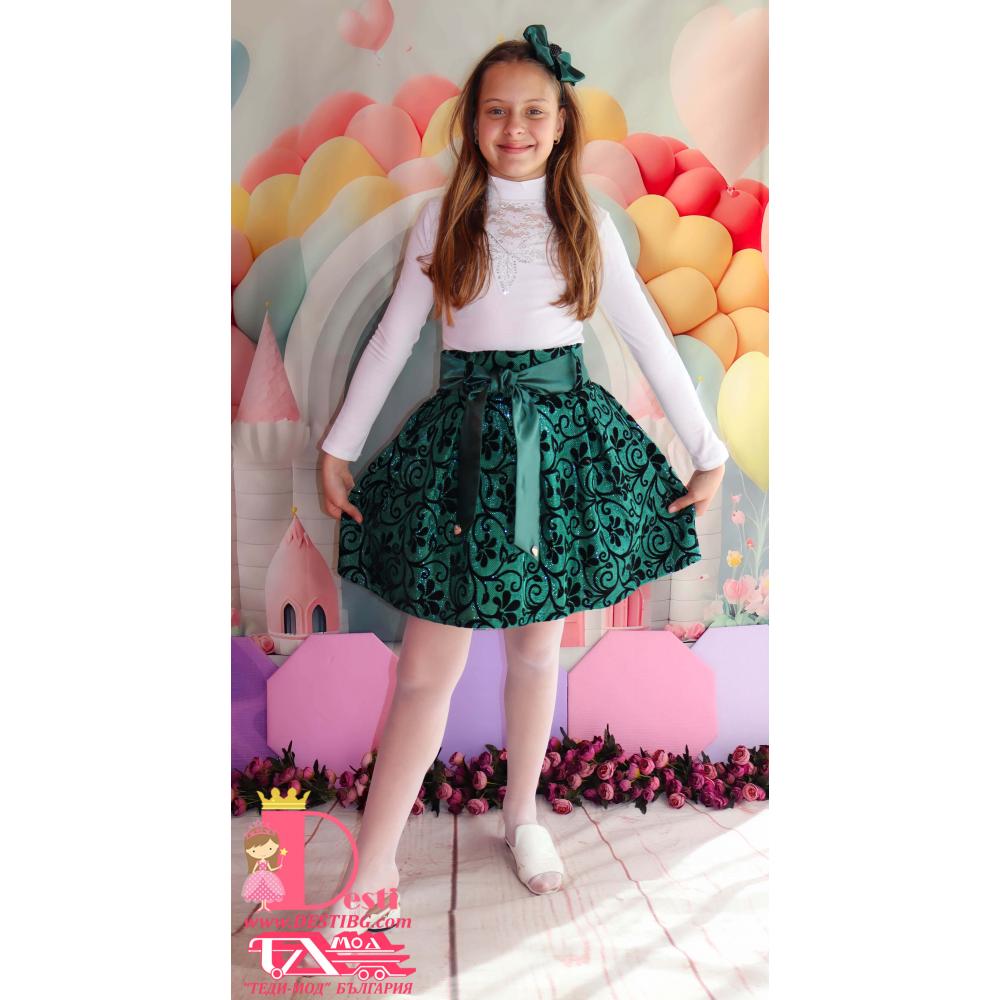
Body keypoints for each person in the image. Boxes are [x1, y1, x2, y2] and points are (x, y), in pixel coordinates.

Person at [318, 25, 728, 929]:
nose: (515, 129)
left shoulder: (585, 223)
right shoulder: (443, 220)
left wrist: (710, 450)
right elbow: (391, 342)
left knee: (538, 650)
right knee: (426, 670)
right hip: (462, 455)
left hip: (559, 449)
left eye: (534, 112)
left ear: (561, 122)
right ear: (473, 122)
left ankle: (522, 816)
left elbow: (649, 340)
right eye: (498, 112)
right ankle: (375, 864)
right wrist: (338, 446)